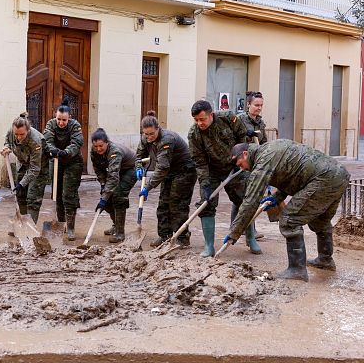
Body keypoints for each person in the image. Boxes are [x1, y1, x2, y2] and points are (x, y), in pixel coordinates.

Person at [226, 140, 350, 281]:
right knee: (320, 220)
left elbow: (250, 202)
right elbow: (291, 174)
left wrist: (234, 232)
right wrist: (277, 197)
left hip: (323, 179)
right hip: (338, 175)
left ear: (245, 154)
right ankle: (325, 260)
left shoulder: (262, 162)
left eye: (240, 164)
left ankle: (297, 270)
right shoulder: (269, 149)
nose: (242, 169)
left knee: (289, 220)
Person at [188, 100, 261, 257]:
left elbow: (242, 137)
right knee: (206, 204)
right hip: (212, 170)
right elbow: (199, 162)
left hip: (235, 165)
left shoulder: (228, 118)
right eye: (196, 120)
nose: (199, 123)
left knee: (245, 200)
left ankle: (250, 238)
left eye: (202, 119)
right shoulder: (194, 134)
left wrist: (240, 160)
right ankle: (209, 247)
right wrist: (205, 184)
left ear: (211, 115)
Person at [135, 111, 197, 247]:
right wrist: (138, 166)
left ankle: (182, 238)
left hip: (184, 171)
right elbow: (139, 154)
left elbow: (162, 168)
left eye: (152, 134)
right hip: (169, 171)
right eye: (146, 134)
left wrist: (147, 187)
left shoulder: (166, 139)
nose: (149, 137)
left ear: (158, 128)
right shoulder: (145, 138)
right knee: (163, 203)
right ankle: (165, 236)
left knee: (177, 204)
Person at [44, 98, 84, 241]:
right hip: (56, 162)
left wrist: (66, 152)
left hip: (73, 162)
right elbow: (46, 140)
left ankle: (71, 228)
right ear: (55, 116)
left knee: (68, 194)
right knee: (57, 194)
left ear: (69, 118)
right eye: (59, 119)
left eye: (64, 120)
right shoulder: (51, 124)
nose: (61, 123)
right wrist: (53, 150)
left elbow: (77, 142)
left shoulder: (75, 125)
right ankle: (61, 224)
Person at [1, 113, 50, 225]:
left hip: (39, 168)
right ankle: (21, 225)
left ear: (28, 130)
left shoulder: (35, 141)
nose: (18, 137)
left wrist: (21, 183)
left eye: (22, 134)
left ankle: (30, 228)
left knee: (33, 199)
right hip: (23, 163)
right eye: (16, 134)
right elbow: (8, 141)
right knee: (20, 195)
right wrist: (6, 148)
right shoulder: (12, 132)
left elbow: (34, 168)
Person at [90, 128, 137, 243]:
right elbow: (99, 170)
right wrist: (102, 185)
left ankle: (120, 233)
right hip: (115, 171)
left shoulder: (114, 152)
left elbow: (113, 177)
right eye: (96, 146)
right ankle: (116, 225)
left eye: (101, 146)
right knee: (107, 198)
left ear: (107, 142)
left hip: (131, 169)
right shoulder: (94, 151)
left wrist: (104, 196)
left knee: (118, 195)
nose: (98, 149)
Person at [238, 91, 267, 240]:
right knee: (242, 196)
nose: (259, 108)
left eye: (261, 105)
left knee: (253, 195)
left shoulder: (261, 123)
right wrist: (246, 134)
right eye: (256, 105)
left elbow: (264, 143)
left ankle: (249, 228)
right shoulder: (240, 120)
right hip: (243, 163)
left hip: (257, 163)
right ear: (248, 104)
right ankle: (240, 228)